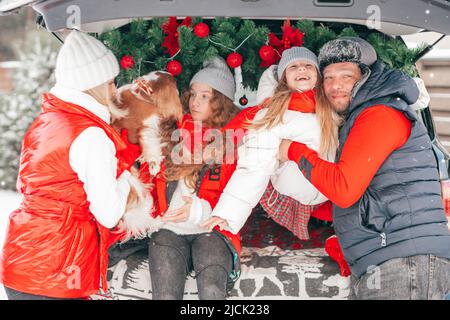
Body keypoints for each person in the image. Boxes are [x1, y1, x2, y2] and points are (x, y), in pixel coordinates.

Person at [278, 37, 450, 300]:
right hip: (388, 264)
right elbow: (363, 198)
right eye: (328, 78)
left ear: (366, 77)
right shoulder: (359, 119)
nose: (336, 86)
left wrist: (293, 150)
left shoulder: (380, 114)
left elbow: (345, 189)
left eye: (346, 76)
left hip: (404, 265)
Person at [0, 30, 141, 300]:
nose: (115, 90)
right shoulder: (91, 135)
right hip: (57, 269)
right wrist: (126, 177)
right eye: (111, 82)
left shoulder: (45, 122)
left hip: (20, 262)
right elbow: (108, 213)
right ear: (93, 84)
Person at [201, 47, 339, 235]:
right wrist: (229, 212)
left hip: (332, 184)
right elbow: (255, 165)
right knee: (257, 153)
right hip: (300, 185)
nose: (301, 69)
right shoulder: (272, 117)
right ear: (283, 79)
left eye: (308, 65)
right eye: (293, 67)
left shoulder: (331, 104)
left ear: (318, 75)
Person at [140, 57, 242, 300]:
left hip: (213, 230)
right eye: (193, 94)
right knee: (164, 294)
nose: (195, 102)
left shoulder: (232, 142)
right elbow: (148, 182)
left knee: (212, 293)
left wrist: (196, 210)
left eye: (205, 96)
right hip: (169, 228)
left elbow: (235, 198)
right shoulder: (170, 132)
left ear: (220, 102)